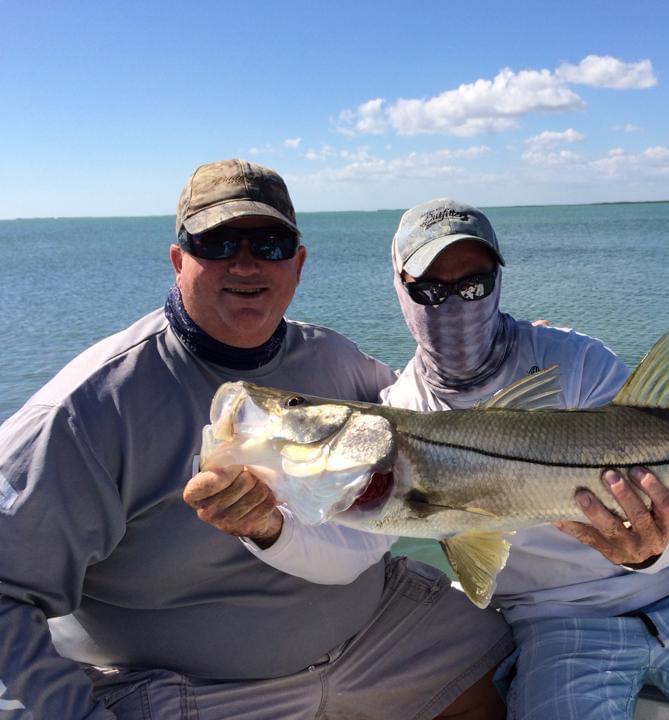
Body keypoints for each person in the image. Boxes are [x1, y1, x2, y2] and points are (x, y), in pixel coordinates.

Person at [241, 198, 669, 720]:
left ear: (500, 280)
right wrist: (264, 520)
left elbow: (667, 475)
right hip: (555, 624)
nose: (454, 303)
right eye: (431, 289)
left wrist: (650, 552)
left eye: (473, 284)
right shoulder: (397, 407)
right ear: (401, 288)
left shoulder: (573, 359)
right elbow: (357, 542)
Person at [0, 164, 513, 720]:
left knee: (517, 664)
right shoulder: (86, 411)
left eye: (270, 244)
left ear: (297, 264)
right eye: (217, 242)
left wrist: (514, 363)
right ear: (179, 261)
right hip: (196, 688)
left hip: (378, 639)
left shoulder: (335, 358)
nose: (245, 263)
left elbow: (432, 423)